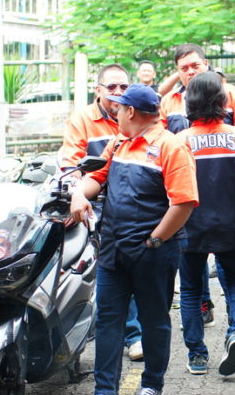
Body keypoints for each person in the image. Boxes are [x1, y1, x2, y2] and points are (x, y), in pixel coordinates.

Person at [70, 84, 199, 395]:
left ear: (130, 111)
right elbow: (97, 176)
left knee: (153, 321)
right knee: (108, 321)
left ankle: (152, 385)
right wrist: (78, 194)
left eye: (119, 108)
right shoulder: (118, 143)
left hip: (153, 253)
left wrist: (154, 241)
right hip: (113, 249)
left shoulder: (171, 147)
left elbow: (184, 203)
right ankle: (105, 390)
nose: (115, 113)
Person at [160, 44, 235, 324]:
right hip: (186, 194)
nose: (190, 71)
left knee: (228, 266)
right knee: (194, 265)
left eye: (195, 65)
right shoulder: (169, 101)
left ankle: (231, 318)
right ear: (177, 72)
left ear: (206, 64)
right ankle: (207, 309)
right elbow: (160, 143)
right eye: (184, 68)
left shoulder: (230, 94)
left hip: (225, 189)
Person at [177, 72, 235, 376]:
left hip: (190, 226)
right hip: (232, 224)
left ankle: (197, 356)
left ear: (190, 102)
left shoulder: (181, 141)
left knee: (190, 290)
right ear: (222, 101)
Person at [59, 64, 144, 362]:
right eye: (112, 87)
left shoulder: (134, 114)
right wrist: (77, 195)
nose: (118, 93)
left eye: (123, 87)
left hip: (129, 204)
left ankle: (134, 336)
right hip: (91, 205)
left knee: (126, 266)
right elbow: (71, 165)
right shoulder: (82, 119)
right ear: (98, 90)